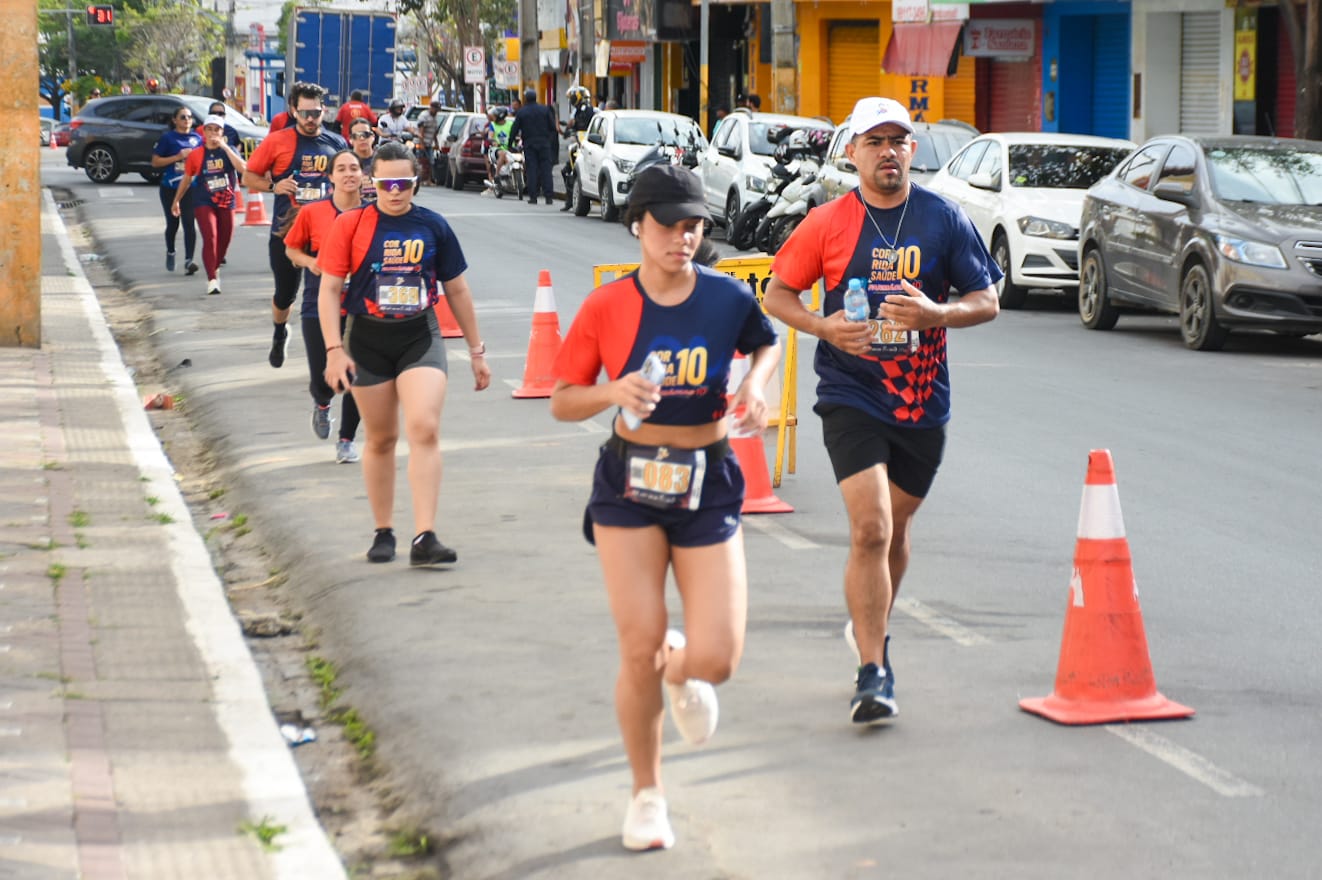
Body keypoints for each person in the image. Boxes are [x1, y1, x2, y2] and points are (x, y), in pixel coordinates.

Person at [549, 165, 780, 852]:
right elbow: (562, 399)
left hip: (708, 478)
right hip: (630, 482)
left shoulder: (727, 296)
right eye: (670, 224)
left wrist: (757, 387)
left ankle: (680, 668)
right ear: (636, 224)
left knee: (718, 658)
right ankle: (647, 795)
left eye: (695, 226)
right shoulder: (607, 306)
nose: (684, 237)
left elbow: (765, 342)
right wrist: (612, 392)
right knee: (637, 645)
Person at [763, 96, 1000, 725]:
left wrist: (936, 314)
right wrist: (824, 327)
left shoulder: (943, 218)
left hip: (922, 398)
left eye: (898, 140)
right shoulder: (827, 222)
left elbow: (987, 300)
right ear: (853, 152)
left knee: (895, 529)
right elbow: (777, 293)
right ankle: (874, 669)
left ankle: (870, 622)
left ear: (912, 150)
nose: (888, 152)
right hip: (852, 392)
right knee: (870, 529)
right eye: (875, 141)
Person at [317, 142, 491, 564]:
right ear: (372, 182)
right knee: (381, 438)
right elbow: (329, 290)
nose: (395, 192)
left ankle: (425, 536)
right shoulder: (351, 225)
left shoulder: (433, 225)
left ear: (416, 183)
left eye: (404, 184)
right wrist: (334, 350)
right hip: (367, 339)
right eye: (386, 184)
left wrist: (476, 350)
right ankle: (383, 531)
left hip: (419, 337)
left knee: (424, 427)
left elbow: (457, 289)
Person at [243, 81, 349, 369]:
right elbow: (249, 176)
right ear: (292, 110)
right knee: (285, 295)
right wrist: (274, 186)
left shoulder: (337, 143)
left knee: (326, 294)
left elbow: (349, 179)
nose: (311, 119)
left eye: (316, 113)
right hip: (287, 230)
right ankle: (280, 332)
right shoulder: (277, 141)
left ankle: (331, 351)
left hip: (327, 233)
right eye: (304, 113)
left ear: (324, 111)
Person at [282, 150, 365, 464]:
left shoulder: (372, 214)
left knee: (357, 376)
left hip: (360, 308)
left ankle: (346, 440)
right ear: (330, 177)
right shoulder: (312, 212)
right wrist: (310, 262)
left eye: (354, 168)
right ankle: (321, 403)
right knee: (325, 378)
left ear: (363, 175)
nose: (348, 174)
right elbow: (291, 249)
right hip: (318, 305)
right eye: (341, 169)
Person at [172, 114, 245, 295]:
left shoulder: (229, 150)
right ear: (203, 132)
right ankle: (212, 279)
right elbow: (187, 179)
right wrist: (176, 201)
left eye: (217, 130)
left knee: (225, 239)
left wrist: (225, 147)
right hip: (204, 201)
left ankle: (215, 266)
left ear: (222, 132)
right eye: (209, 129)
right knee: (210, 236)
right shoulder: (196, 154)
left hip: (226, 200)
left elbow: (243, 168)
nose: (213, 133)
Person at [150, 105, 202, 275]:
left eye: (189, 117)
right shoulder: (168, 138)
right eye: (183, 117)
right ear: (174, 120)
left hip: (190, 187)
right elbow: (155, 162)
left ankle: (189, 260)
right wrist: (178, 157)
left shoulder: (197, 139)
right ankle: (171, 251)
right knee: (173, 223)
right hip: (170, 187)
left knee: (189, 222)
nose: (187, 120)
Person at [509, 88, 558, 206]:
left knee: (532, 169)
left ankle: (533, 196)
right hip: (544, 143)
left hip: (529, 144)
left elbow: (514, 129)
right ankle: (548, 197)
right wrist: (549, 141)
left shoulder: (522, 112)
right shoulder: (545, 110)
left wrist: (510, 144)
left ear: (526, 99)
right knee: (546, 170)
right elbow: (553, 128)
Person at [560, 85, 596, 211]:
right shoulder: (577, 112)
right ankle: (570, 200)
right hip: (579, 146)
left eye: (573, 98)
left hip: (590, 148)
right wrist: (568, 130)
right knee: (566, 171)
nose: (571, 101)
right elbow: (572, 128)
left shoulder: (591, 111)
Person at [347, 116, 378, 204]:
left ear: (372, 137)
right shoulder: (345, 163)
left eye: (365, 135)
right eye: (356, 136)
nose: (362, 139)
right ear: (350, 139)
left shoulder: (382, 160)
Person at [415, 100, 443, 184]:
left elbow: (434, 132)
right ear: (431, 108)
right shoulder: (424, 116)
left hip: (429, 143)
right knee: (420, 161)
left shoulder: (435, 118)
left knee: (431, 162)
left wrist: (436, 143)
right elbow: (421, 130)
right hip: (421, 143)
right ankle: (418, 179)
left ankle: (428, 180)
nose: (436, 111)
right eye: (435, 109)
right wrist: (422, 143)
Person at [484, 106, 513, 186]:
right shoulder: (493, 125)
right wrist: (493, 141)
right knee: (502, 154)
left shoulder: (510, 124)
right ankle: (497, 175)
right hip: (497, 149)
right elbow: (490, 136)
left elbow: (517, 134)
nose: (493, 117)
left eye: (495, 115)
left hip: (510, 149)